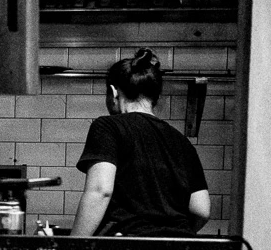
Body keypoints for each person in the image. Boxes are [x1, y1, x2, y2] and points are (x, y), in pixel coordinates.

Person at [71, 48, 210, 237]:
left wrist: (72, 245)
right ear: (155, 97)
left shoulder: (108, 127)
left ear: (113, 92)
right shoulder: (182, 142)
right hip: (179, 249)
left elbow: (100, 191)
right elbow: (201, 210)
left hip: (128, 247)